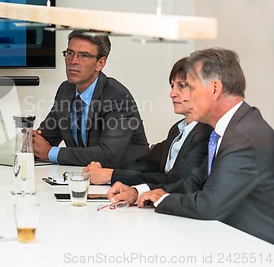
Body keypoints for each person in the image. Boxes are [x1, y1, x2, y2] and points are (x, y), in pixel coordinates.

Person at [107, 48, 274, 244]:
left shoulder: (243, 137)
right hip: (226, 238)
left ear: (214, 89)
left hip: (257, 249)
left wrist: (161, 199)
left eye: (190, 88)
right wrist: (139, 193)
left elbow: (208, 205)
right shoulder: (231, 128)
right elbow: (191, 184)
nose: (185, 97)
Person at [84, 57, 212, 186]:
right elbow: (145, 164)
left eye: (182, 86)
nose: (172, 93)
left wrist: (111, 176)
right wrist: (104, 172)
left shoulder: (208, 132)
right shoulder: (177, 129)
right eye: (172, 86)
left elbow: (176, 180)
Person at [33, 29, 149, 167]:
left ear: (100, 63)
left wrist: (50, 152)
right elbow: (46, 138)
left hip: (126, 180)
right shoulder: (66, 90)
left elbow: (107, 156)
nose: (74, 61)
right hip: (84, 177)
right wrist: (30, 140)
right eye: (70, 53)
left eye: (84, 55)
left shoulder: (117, 97)